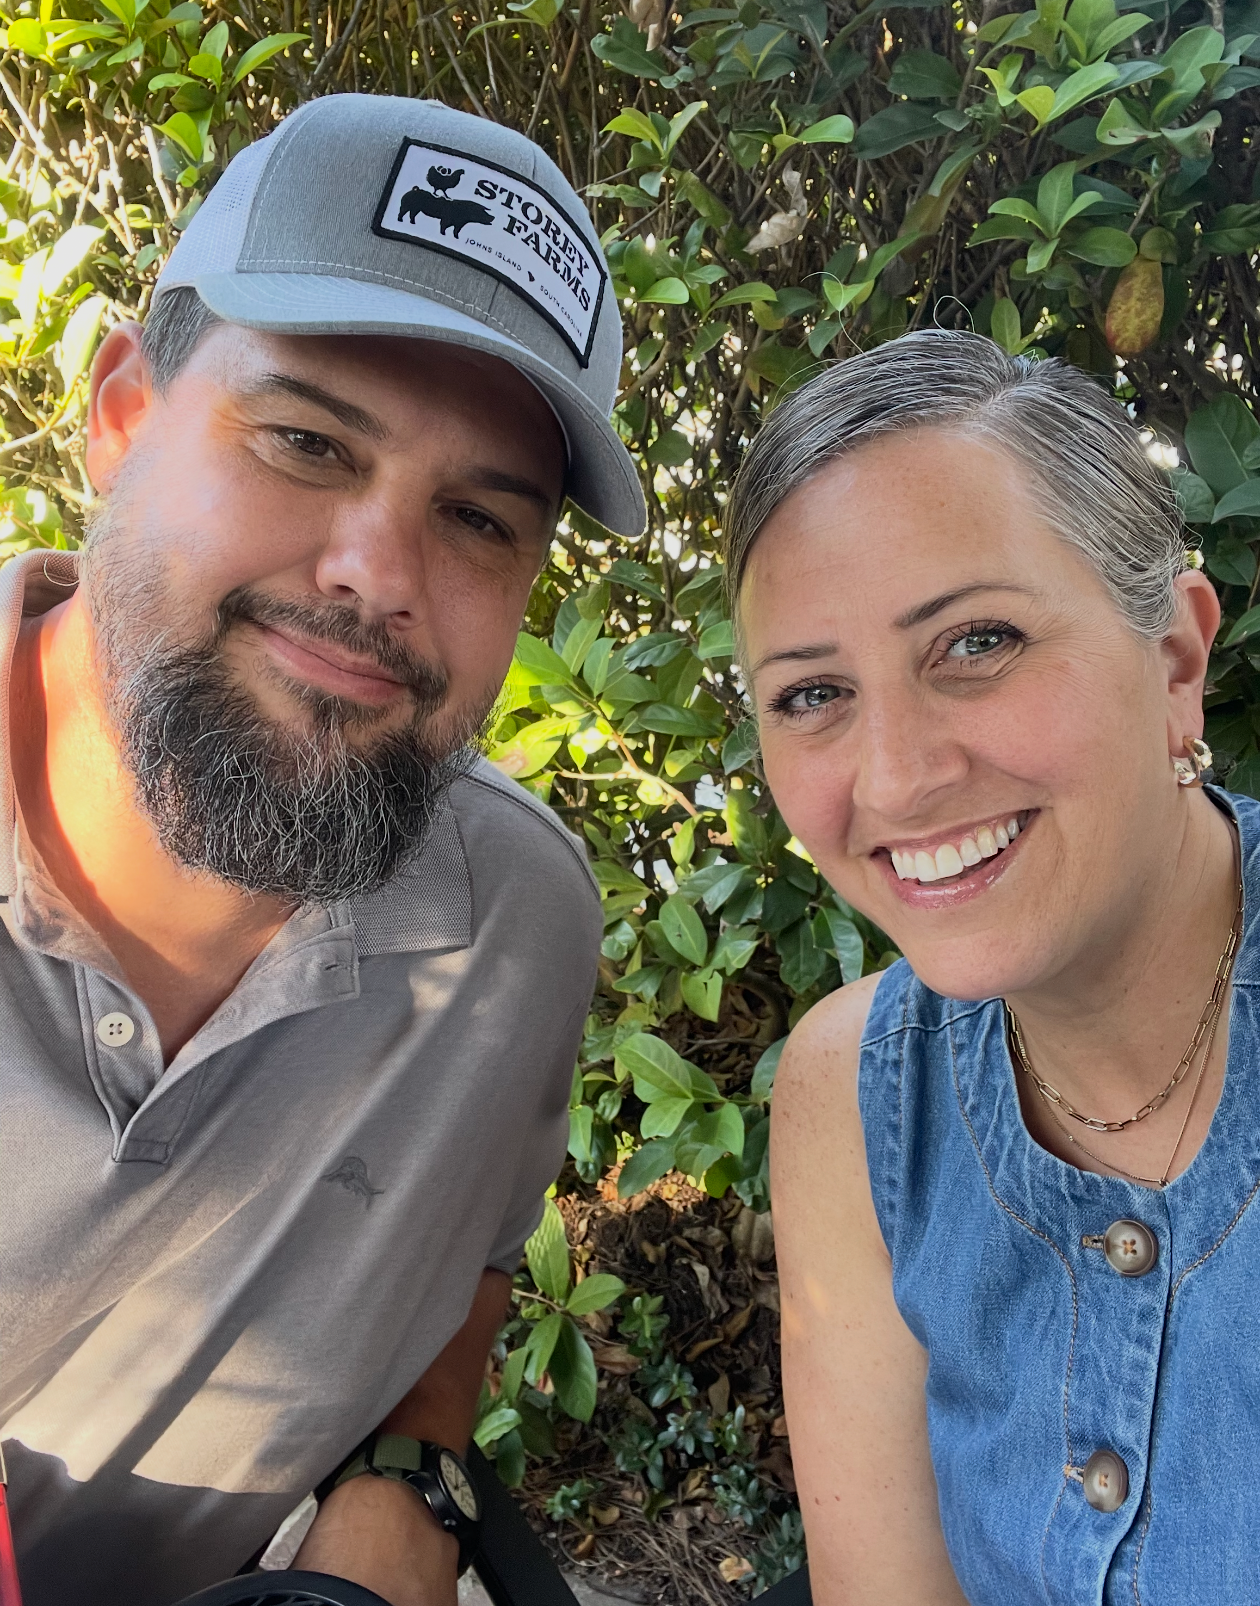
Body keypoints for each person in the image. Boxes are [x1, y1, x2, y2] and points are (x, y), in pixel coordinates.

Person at [0, 93, 644, 1606]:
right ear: (120, 415)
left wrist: (408, 1477)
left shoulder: (512, 925)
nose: (376, 573)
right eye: (304, 440)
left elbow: (459, 1253)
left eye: (478, 520)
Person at [728, 330, 1257, 1603]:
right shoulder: (857, 1096)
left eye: (977, 642)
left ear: (1175, 664)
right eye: (811, 695)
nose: (898, 776)